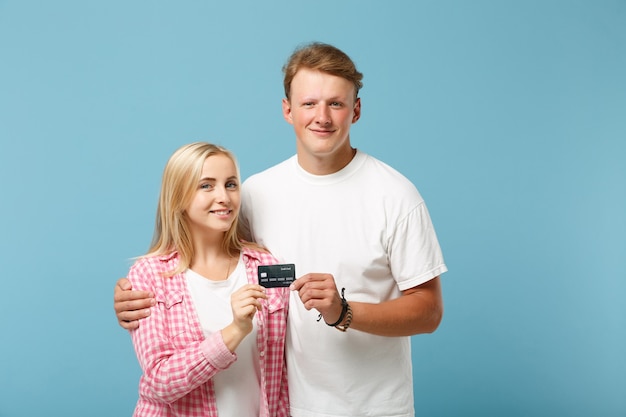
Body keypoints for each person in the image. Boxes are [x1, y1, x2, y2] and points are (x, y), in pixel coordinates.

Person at [115, 42, 447, 417]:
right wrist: (137, 296)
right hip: (289, 407)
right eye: (309, 103)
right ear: (288, 110)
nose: (321, 116)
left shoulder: (396, 195)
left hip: (372, 407)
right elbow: (201, 260)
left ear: (356, 110)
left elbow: (429, 311)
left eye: (336, 104)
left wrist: (344, 311)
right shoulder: (256, 192)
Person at [122, 142, 289, 417]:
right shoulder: (149, 275)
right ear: (178, 197)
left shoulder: (266, 265)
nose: (223, 196)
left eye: (231, 184)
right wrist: (235, 330)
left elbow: (284, 369)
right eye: (207, 186)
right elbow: (161, 381)